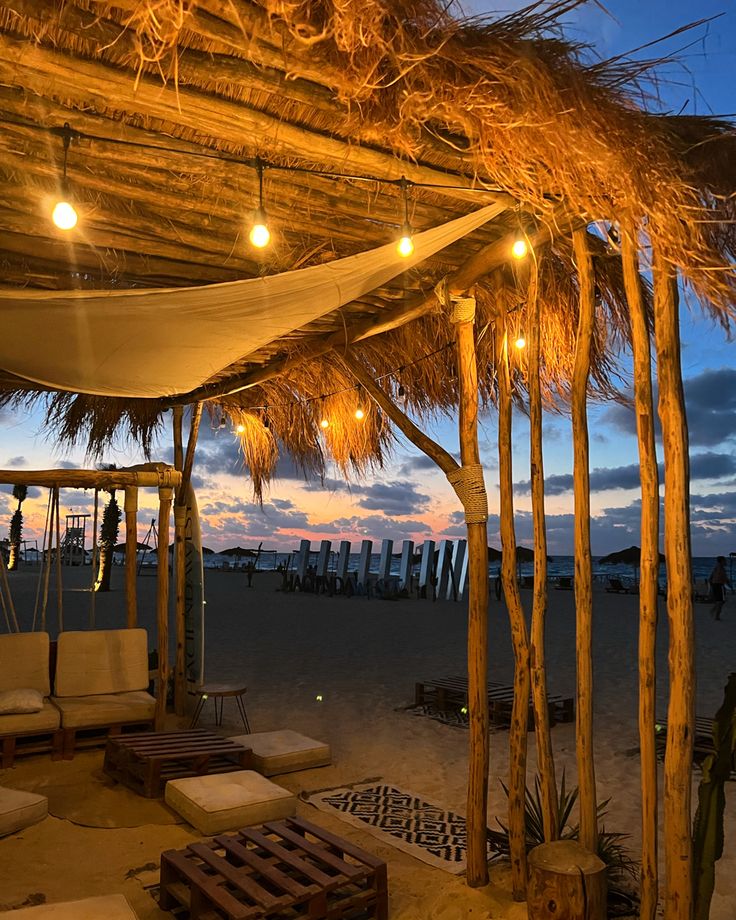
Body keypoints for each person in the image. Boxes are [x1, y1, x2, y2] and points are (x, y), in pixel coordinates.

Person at [709, 556, 732, 621]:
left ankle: (714, 610)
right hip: (719, 585)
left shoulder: (716, 568)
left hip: (715, 585)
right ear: (722, 561)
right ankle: (716, 616)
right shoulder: (721, 569)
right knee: (721, 601)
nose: (726, 562)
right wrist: (730, 585)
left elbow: (711, 577)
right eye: (724, 561)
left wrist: (711, 585)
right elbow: (725, 578)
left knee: (720, 601)